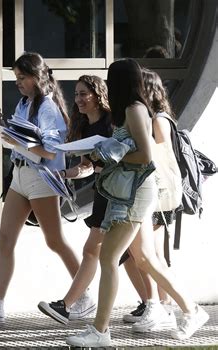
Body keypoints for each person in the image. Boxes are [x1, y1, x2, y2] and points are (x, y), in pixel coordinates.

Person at [66, 59, 209, 347]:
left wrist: (107, 156)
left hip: (136, 194)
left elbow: (146, 156)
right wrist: (103, 156)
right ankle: (192, 310)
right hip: (135, 192)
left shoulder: (134, 109)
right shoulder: (131, 110)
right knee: (144, 258)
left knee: (108, 257)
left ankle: (100, 331)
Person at [0, 52, 80, 323]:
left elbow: (50, 152)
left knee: (55, 241)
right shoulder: (25, 102)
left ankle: (83, 293)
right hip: (20, 175)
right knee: (5, 240)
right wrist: (1, 123)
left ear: (37, 78)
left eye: (22, 77)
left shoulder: (49, 108)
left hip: (42, 177)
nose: (17, 82)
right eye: (16, 77)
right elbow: (21, 137)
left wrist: (18, 143)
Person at [38, 75, 112, 324]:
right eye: (77, 94)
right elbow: (88, 166)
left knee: (95, 251)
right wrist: (66, 174)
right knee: (137, 257)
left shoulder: (112, 124)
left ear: (98, 95)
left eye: (84, 94)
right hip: (104, 192)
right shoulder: (84, 126)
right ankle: (156, 305)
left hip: (116, 192)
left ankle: (67, 305)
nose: (79, 99)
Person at [121, 68, 181, 330]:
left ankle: (164, 307)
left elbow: (157, 153)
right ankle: (157, 305)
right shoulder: (159, 117)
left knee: (153, 253)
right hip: (161, 192)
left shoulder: (158, 120)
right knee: (146, 253)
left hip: (159, 193)